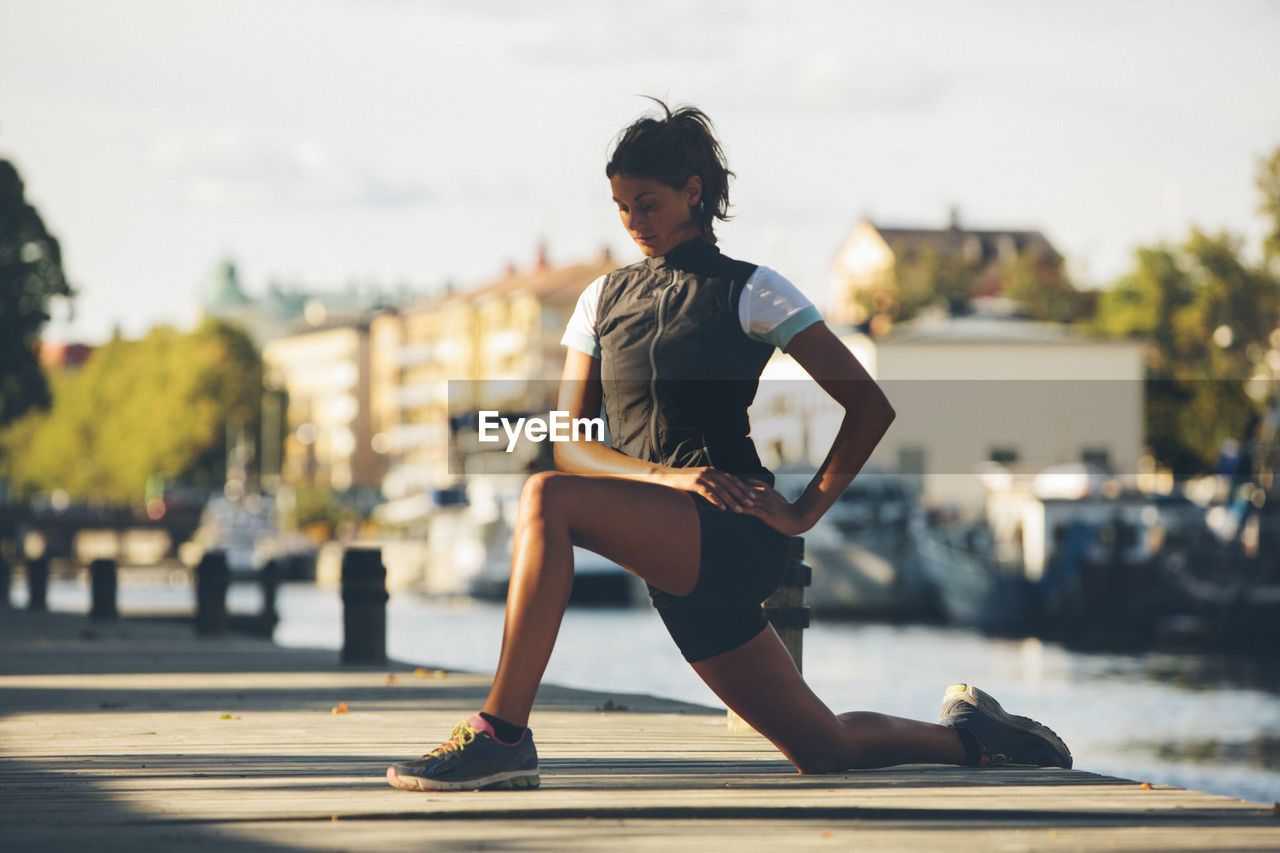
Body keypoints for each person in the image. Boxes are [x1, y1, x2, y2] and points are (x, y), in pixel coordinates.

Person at [387, 100, 1071, 792]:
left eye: (647, 204)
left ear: (694, 192)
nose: (633, 223)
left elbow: (868, 405)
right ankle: (978, 738)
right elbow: (570, 442)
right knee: (822, 746)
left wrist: (804, 512)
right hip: (670, 536)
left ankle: (501, 734)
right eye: (621, 207)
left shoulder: (752, 291)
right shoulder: (600, 299)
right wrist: (667, 479)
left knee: (544, 500)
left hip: (733, 531)